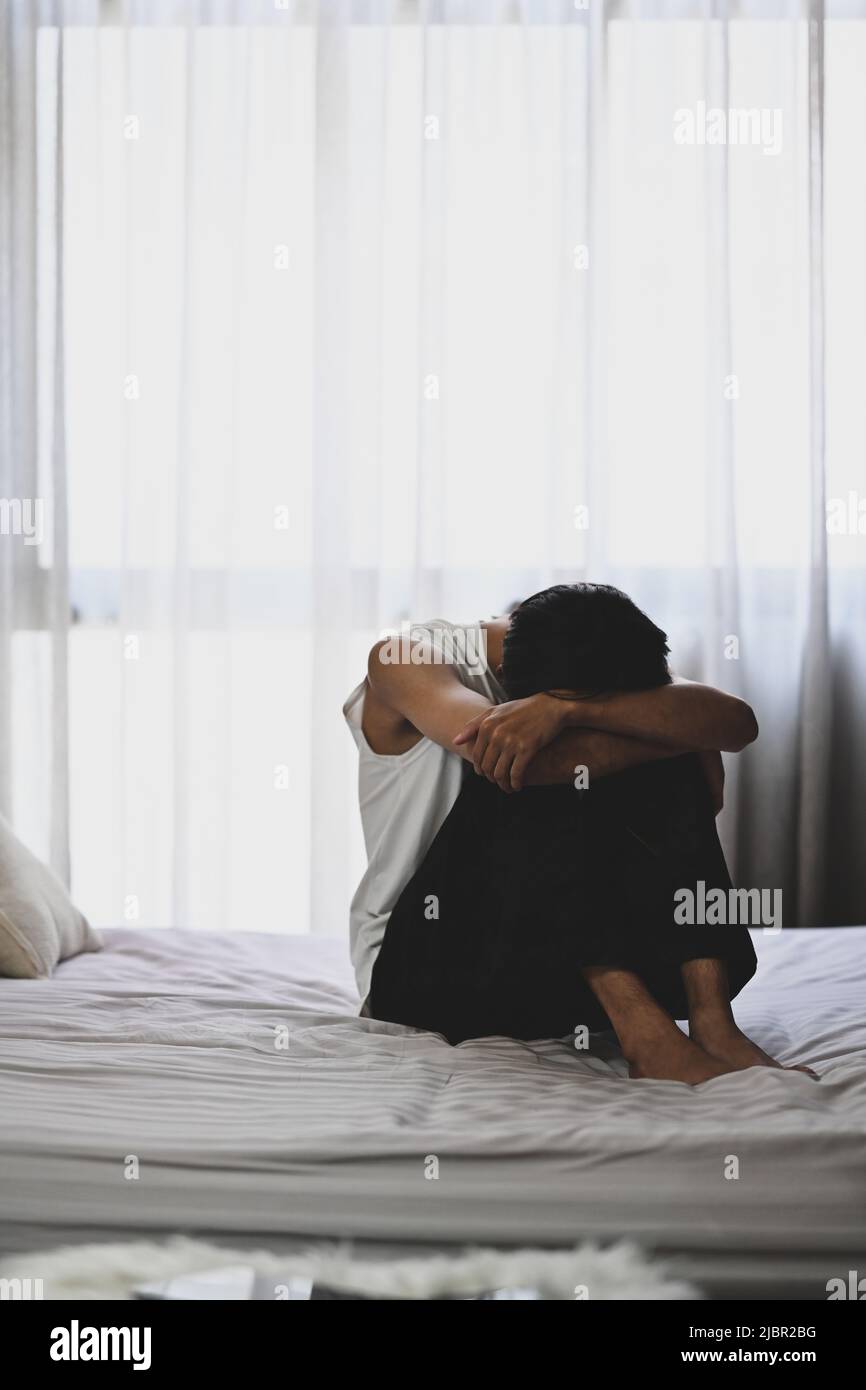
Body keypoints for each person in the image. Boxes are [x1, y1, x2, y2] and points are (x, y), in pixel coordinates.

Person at [343, 583, 816, 1084]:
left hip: (545, 968)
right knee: (531, 766)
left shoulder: (599, 650)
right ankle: (647, 1039)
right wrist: (679, 740)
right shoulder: (404, 659)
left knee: (639, 739)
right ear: (507, 679)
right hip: (426, 974)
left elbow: (735, 720)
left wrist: (571, 711)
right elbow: (528, 761)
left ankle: (715, 1024)